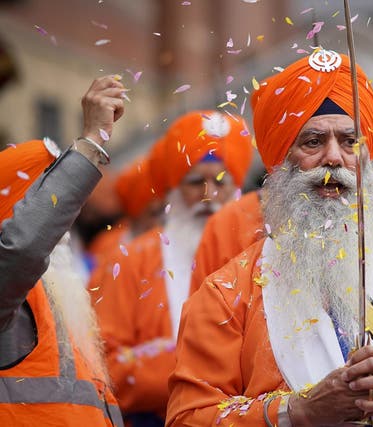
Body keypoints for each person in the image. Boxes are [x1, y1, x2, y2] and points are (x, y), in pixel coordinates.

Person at [166, 49, 373, 427]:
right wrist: (297, 412)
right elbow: (187, 418)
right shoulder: (229, 292)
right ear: (280, 161)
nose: (334, 158)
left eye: (350, 142)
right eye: (313, 142)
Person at [90, 110, 253, 426]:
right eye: (195, 183)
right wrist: (196, 368)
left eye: (220, 181)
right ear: (175, 190)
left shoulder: (258, 255)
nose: (208, 196)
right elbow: (101, 367)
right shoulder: (131, 259)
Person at [0, 76, 126, 426]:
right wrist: (89, 145)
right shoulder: (9, 292)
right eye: (45, 196)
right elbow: (23, 247)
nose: (65, 218)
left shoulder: (60, 295)